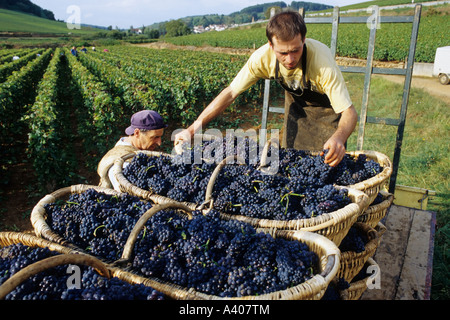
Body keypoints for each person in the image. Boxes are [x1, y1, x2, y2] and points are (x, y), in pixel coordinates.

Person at [174, 10, 358, 167]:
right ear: (271, 45)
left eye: (295, 50)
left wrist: (339, 138)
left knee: (323, 164)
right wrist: (192, 128)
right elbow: (230, 93)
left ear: (304, 40)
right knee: (291, 160)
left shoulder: (321, 63)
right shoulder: (261, 59)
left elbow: (349, 112)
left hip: (327, 113)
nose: (290, 59)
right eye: (283, 53)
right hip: (297, 109)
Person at [97, 110, 167, 189]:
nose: (159, 143)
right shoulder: (120, 164)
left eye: (160, 137)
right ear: (137, 133)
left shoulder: (140, 152)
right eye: (155, 137)